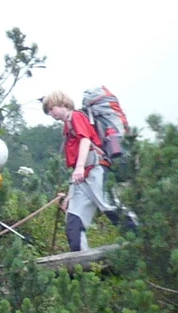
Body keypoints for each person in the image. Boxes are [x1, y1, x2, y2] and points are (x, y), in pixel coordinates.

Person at [39, 90, 120, 252]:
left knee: (111, 208)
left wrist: (80, 167)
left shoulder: (76, 117)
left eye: (51, 108)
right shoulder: (67, 126)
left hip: (95, 170)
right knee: (74, 222)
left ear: (62, 104)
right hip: (82, 178)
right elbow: (76, 160)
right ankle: (81, 261)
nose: (51, 113)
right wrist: (71, 193)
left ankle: (141, 241)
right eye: (48, 111)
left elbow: (85, 140)